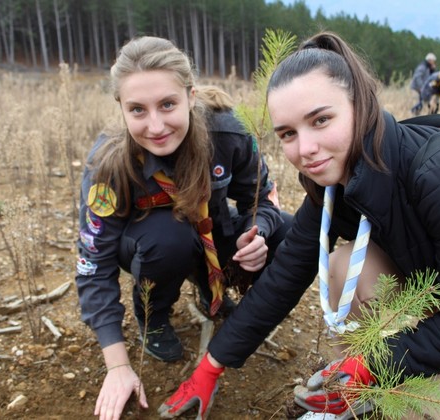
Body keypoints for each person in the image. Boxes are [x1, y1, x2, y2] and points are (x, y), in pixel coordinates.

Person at [160, 31, 440, 420]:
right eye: (288, 133)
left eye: (321, 119)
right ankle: (350, 390)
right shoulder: (337, 182)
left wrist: (372, 366)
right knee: (343, 268)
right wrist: (212, 365)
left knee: (418, 409)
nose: (304, 149)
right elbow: (286, 274)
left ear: (361, 106)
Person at [75, 36, 292, 419]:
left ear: (190, 96)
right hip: (153, 246)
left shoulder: (229, 133)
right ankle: (154, 317)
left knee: (287, 233)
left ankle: (221, 294)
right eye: (137, 110)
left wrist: (259, 230)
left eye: (168, 104)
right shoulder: (108, 166)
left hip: (215, 232)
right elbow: (94, 267)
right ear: (121, 109)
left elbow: (262, 196)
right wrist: (118, 366)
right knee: (168, 238)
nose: (155, 125)